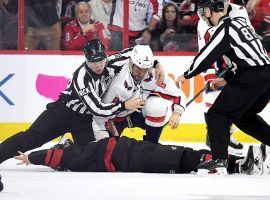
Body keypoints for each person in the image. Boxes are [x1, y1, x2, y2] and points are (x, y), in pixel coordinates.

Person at [0, 39, 155, 165]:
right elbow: (98, 109)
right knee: (30, 139)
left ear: (105, 56)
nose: (99, 65)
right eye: (93, 62)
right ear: (86, 60)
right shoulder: (82, 79)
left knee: (91, 157)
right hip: (62, 113)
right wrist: (124, 105)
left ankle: (65, 146)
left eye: (101, 60)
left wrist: (156, 64)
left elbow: (137, 53)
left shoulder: (114, 61)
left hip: (84, 121)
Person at [175, 0, 270, 175]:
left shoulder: (224, 28)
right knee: (243, 116)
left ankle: (219, 161)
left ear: (211, 11)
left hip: (253, 77)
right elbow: (245, 57)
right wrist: (225, 79)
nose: (202, 16)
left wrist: (186, 74)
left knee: (216, 114)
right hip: (265, 76)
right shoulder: (240, 23)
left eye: (204, 11)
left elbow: (206, 56)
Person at [14, 128, 264, 175]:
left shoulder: (82, 149)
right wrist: (33, 156)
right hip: (134, 157)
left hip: (135, 150)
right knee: (182, 158)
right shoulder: (72, 156)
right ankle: (238, 165)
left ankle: (238, 162)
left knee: (183, 154)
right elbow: (55, 157)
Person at [92, 44, 187, 144]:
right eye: (138, 68)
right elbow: (103, 112)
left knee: (157, 106)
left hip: (136, 115)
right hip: (115, 119)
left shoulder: (152, 74)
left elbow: (179, 94)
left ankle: (151, 146)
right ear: (130, 62)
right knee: (105, 149)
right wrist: (113, 135)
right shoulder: (118, 84)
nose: (141, 73)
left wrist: (176, 113)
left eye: (145, 69)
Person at [196, 0, 253, 155]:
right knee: (214, 97)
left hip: (239, 61)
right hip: (220, 62)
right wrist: (210, 77)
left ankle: (227, 133)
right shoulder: (203, 22)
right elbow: (204, 51)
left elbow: (247, 38)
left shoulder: (239, 11)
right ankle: (215, 135)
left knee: (240, 103)